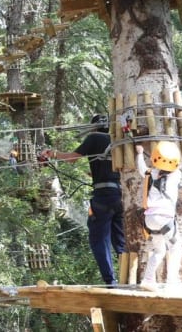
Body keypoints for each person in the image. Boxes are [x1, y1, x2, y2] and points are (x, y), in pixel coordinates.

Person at [42, 114, 125, 285]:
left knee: (98, 240)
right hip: (120, 197)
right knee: (120, 241)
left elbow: (72, 158)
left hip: (103, 196)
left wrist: (52, 153)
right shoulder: (119, 140)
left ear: (93, 127)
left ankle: (111, 282)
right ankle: (129, 277)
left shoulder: (94, 137)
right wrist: (90, 173)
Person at [135, 141, 182, 288]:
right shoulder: (177, 175)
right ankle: (172, 282)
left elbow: (141, 168)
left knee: (159, 250)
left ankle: (148, 280)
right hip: (165, 219)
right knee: (176, 248)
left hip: (150, 219)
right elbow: (176, 166)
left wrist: (139, 153)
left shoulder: (150, 173)